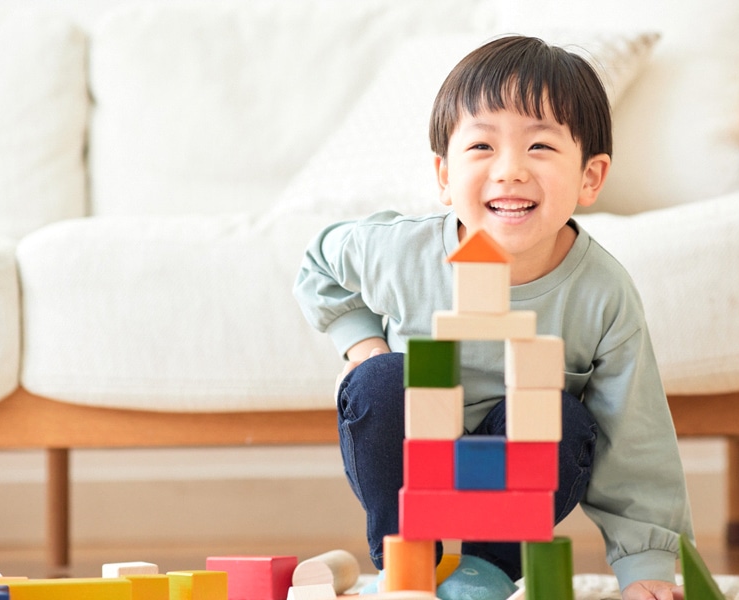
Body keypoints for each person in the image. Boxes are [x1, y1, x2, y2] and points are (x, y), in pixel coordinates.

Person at [293, 35, 693, 600]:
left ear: (591, 177)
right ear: (443, 175)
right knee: (380, 382)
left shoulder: (602, 293)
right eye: (482, 147)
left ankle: (485, 568)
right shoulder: (400, 252)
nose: (509, 171)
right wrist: (363, 345)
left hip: (514, 462)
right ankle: (405, 565)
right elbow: (319, 264)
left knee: (564, 420)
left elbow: (636, 436)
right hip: (415, 451)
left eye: (541, 148)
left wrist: (646, 568)